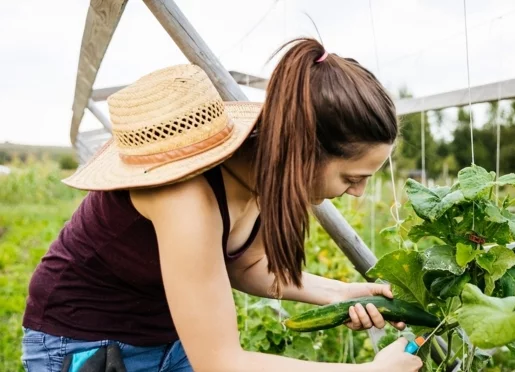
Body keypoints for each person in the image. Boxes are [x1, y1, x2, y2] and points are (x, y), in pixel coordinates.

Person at [21, 38, 424, 372]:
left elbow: (246, 264)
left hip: (167, 337)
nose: (356, 193)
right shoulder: (188, 197)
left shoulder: (259, 173)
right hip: (84, 342)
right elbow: (220, 362)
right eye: (351, 178)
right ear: (303, 152)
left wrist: (344, 293)